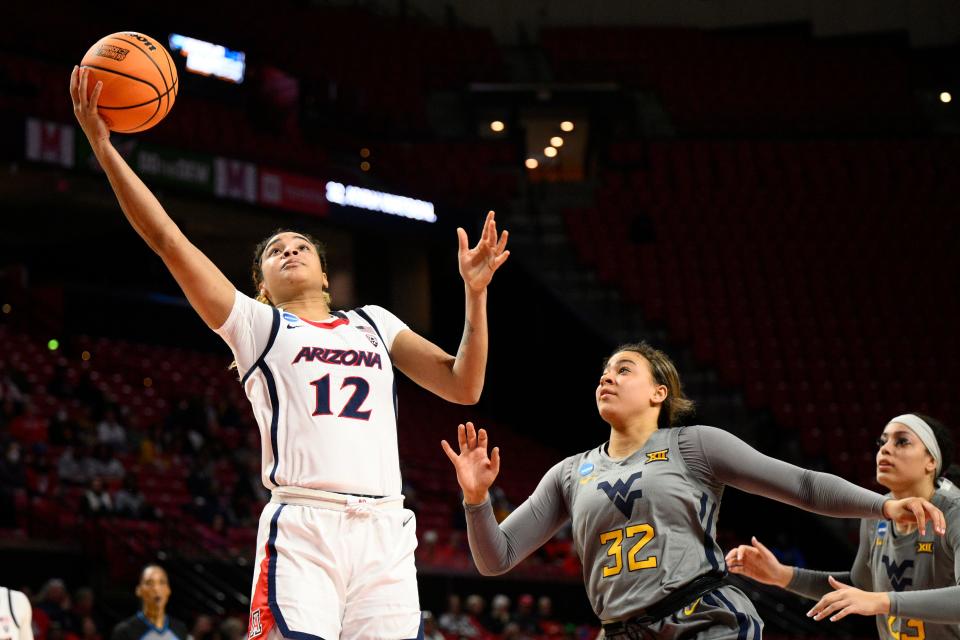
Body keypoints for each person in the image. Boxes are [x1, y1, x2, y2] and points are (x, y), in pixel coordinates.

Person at [71, 65, 509, 640]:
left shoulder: (374, 322)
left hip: (385, 528)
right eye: (275, 251)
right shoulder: (257, 326)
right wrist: (106, 150)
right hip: (305, 523)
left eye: (301, 246)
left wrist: (475, 297)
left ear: (326, 275)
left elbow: (463, 387)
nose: (290, 250)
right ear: (261, 285)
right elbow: (166, 239)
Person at [442, 342, 946, 639]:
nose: (606, 377)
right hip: (622, 630)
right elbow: (496, 558)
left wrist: (882, 505)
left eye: (624, 369)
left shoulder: (694, 445)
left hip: (702, 618)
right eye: (604, 371)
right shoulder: (570, 472)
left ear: (659, 393)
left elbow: (802, 484)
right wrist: (476, 500)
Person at [727, 413, 960, 638]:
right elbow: (859, 588)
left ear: (931, 461)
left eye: (902, 441)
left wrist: (881, 601)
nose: (885, 449)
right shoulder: (875, 514)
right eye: (882, 442)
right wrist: (780, 575)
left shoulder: (955, 511)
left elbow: (872, 598)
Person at [111, 565, 187, 640]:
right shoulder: (124, 631)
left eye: (162, 582)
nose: (156, 589)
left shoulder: (180, 628)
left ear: (168, 589)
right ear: (138, 590)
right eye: (149, 583)